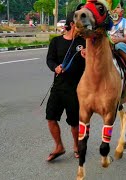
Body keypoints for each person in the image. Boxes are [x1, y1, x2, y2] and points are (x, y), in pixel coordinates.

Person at [45, 12, 85, 162]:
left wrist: (88, 56)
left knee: (74, 122)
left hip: (76, 88)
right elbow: (50, 60)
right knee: (51, 118)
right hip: (58, 86)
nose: (81, 27)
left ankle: (76, 146)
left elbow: (92, 63)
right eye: (79, 24)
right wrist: (55, 67)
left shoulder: (84, 43)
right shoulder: (56, 42)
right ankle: (59, 146)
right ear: (71, 24)